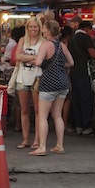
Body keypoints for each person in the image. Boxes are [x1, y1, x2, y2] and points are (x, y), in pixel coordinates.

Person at [28, 20, 74, 156]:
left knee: (42, 116)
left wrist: (30, 59)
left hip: (48, 84)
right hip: (63, 83)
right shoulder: (62, 45)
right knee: (57, 115)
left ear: (48, 31)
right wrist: (59, 66)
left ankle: (42, 147)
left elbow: (38, 62)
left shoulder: (45, 45)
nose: (42, 30)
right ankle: (59, 145)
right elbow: (71, 62)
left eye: (43, 28)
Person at [69, 19, 95, 136]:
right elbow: (93, 53)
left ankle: (78, 125)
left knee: (76, 100)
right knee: (85, 99)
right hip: (83, 72)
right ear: (87, 29)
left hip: (73, 72)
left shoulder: (72, 38)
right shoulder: (85, 38)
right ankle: (86, 127)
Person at [15, 18, 43, 150]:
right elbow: (17, 57)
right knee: (24, 109)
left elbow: (42, 61)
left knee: (38, 110)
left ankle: (37, 140)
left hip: (37, 78)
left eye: (35, 27)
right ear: (27, 28)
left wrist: (25, 58)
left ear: (39, 28)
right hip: (22, 78)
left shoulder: (43, 42)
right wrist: (34, 58)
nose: (33, 29)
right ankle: (25, 139)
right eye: (31, 27)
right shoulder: (22, 40)